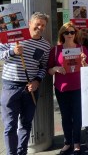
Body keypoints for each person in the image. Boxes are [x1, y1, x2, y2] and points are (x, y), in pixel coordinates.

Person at [0, 12, 51, 155]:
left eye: (43, 25)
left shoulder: (45, 45)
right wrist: (12, 51)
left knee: (26, 124)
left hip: (30, 89)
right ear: (30, 23)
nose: (40, 27)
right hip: (11, 86)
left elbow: (43, 67)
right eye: (37, 24)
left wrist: (37, 81)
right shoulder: (12, 38)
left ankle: (21, 152)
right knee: (10, 126)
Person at [48, 22, 88, 155]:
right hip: (62, 89)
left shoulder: (82, 49)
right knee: (66, 117)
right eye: (67, 32)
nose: (70, 35)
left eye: (72, 32)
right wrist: (55, 68)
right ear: (62, 34)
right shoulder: (55, 50)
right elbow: (49, 70)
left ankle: (77, 142)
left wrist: (83, 62)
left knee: (77, 116)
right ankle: (67, 142)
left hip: (78, 88)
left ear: (75, 34)